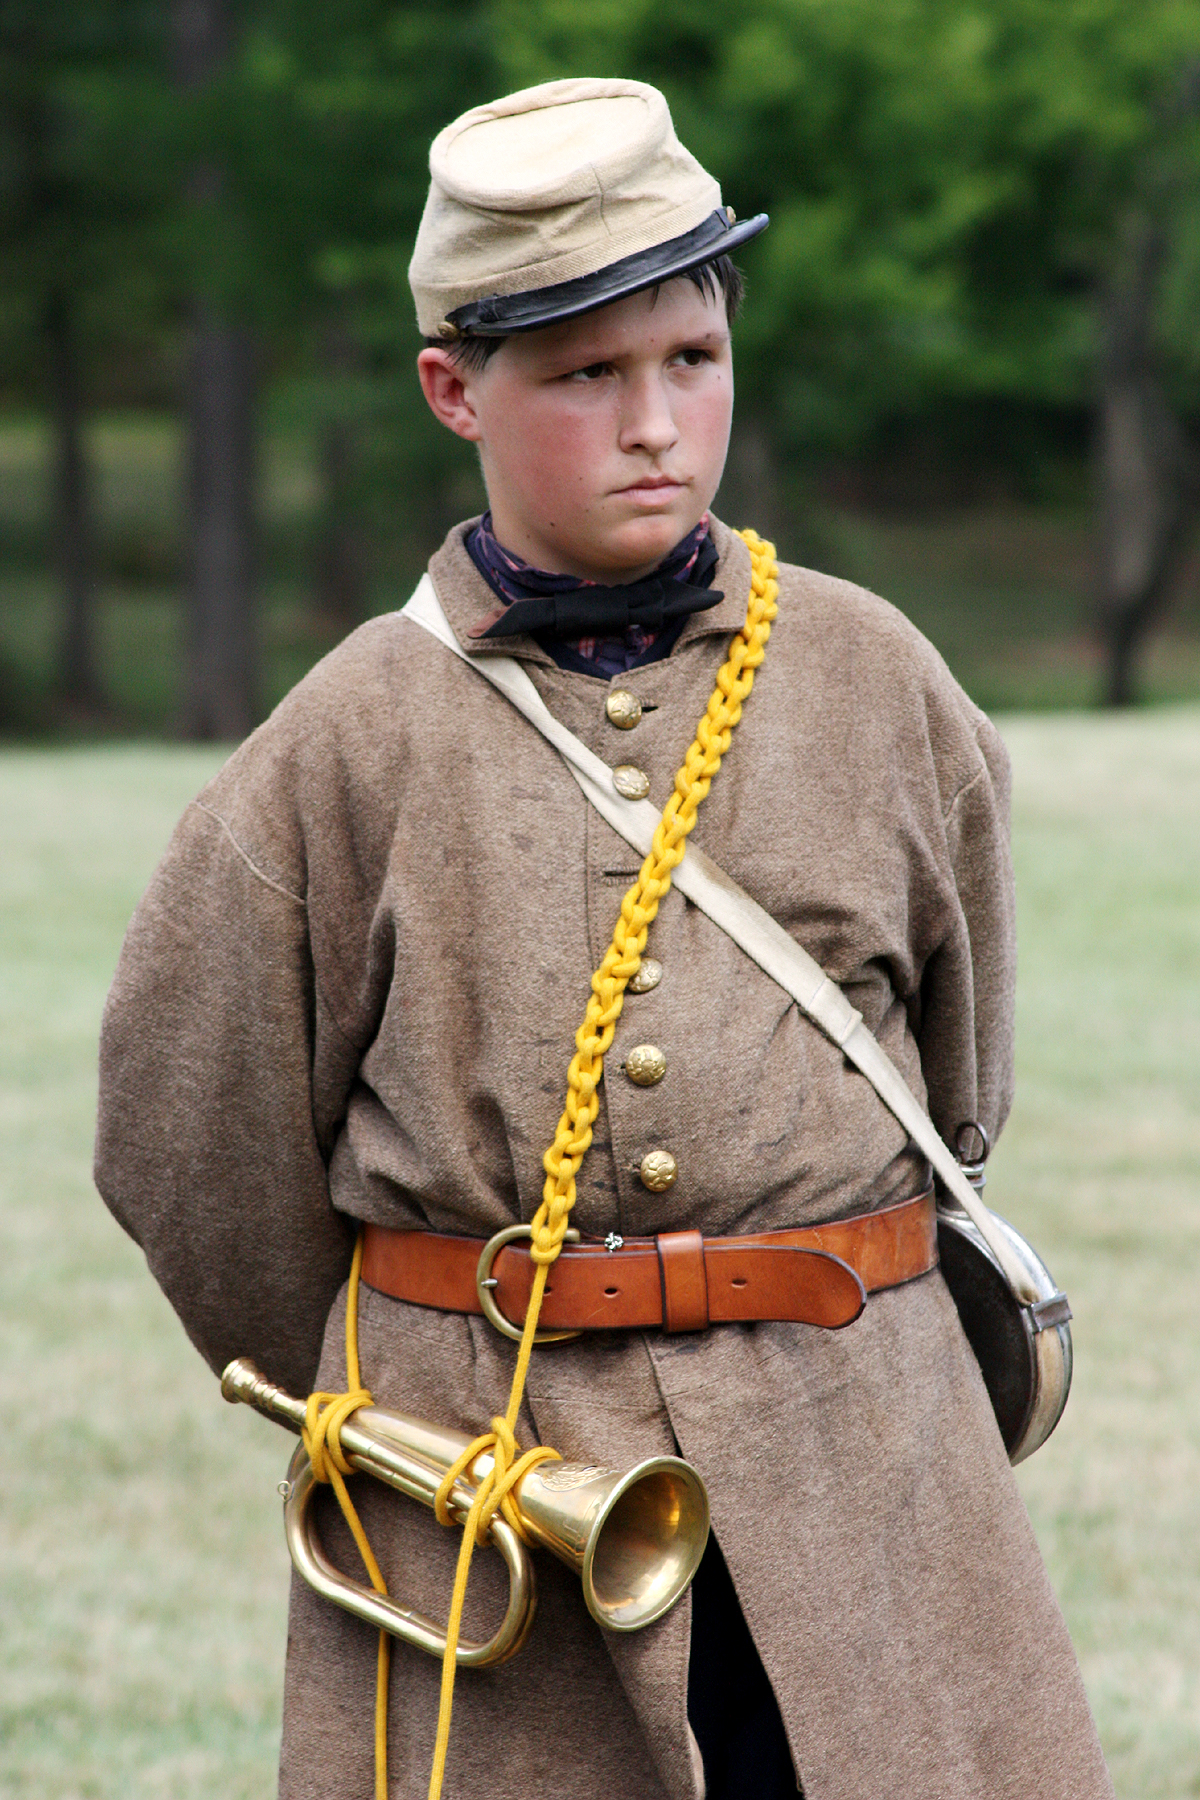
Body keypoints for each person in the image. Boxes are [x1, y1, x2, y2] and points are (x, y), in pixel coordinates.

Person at [95, 77, 1114, 1800]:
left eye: (693, 362)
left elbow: (958, 1077)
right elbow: (192, 1146)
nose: (656, 422)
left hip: (866, 1479)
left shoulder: (878, 683)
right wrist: (423, 1370)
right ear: (451, 388)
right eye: (586, 375)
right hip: (488, 1498)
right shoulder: (342, 743)